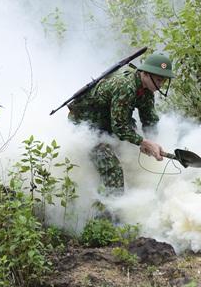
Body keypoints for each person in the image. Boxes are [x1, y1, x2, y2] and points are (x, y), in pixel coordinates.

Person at [67, 53, 175, 194]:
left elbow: (149, 120)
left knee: (126, 155)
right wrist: (144, 142)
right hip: (86, 126)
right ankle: (110, 212)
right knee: (113, 168)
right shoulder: (125, 87)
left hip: (108, 123)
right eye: (159, 79)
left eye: (163, 81)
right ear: (146, 74)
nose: (160, 84)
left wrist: (153, 143)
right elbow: (119, 127)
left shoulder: (146, 90)